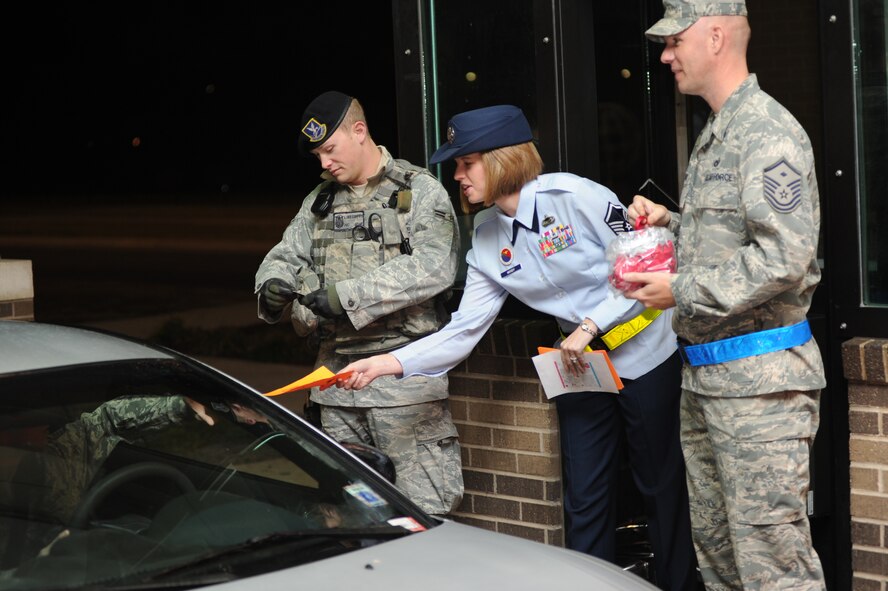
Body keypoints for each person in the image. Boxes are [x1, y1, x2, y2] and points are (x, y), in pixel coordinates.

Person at [337, 105, 697, 590]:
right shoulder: (486, 235)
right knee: (585, 496)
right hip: (582, 366)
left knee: (660, 486)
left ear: (504, 158)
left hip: (645, 351)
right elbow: (463, 330)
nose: (458, 176)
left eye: (467, 163)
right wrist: (386, 363)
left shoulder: (576, 196)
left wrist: (590, 325)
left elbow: (648, 265)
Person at [621, 2, 827, 589]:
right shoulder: (717, 131)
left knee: (773, 567)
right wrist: (673, 225)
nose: (664, 57)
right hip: (708, 381)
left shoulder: (767, 132)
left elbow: (785, 258)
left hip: (761, 391)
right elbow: (730, 241)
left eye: (673, 42)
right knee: (720, 562)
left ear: (715, 36)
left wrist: (679, 288)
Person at [254, 91, 463, 517]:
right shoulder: (319, 201)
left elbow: (434, 266)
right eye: (317, 155)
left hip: (402, 390)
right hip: (336, 391)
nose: (324, 163)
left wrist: (347, 297)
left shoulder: (418, 190)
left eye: (330, 150)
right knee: (348, 515)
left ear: (360, 131)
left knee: (424, 514)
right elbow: (285, 254)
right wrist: (271, 284)